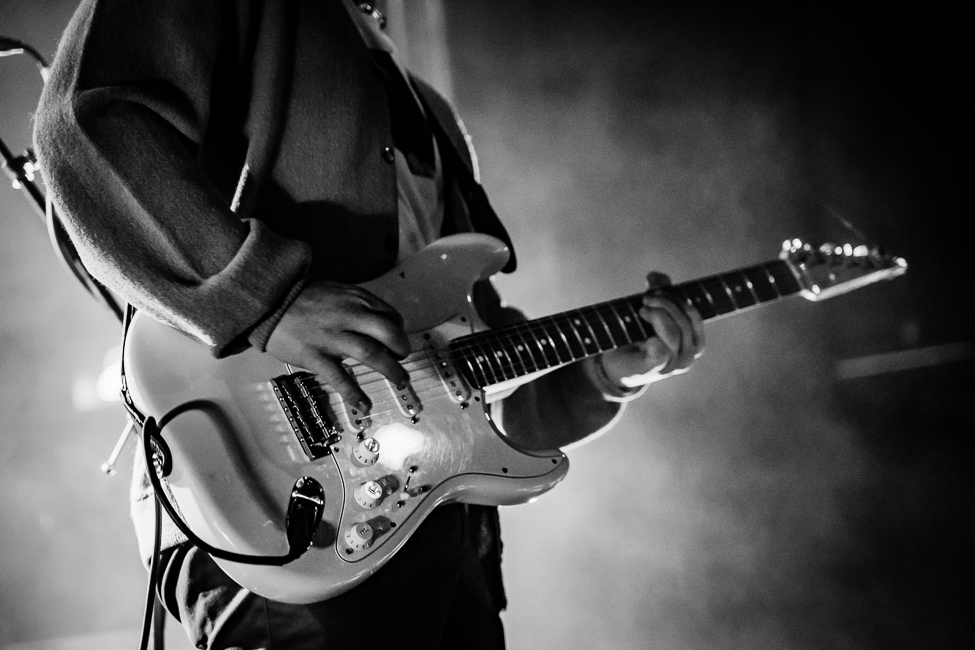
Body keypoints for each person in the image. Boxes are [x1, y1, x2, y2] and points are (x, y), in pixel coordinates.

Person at [34, 0, 704, 647]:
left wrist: (601, 376)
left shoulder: (423, 106)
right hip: (285, 521)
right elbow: (88, 124)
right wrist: (267, 301)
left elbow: (468, 395)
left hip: (443, 550)